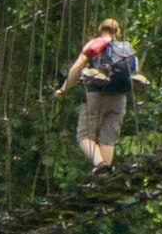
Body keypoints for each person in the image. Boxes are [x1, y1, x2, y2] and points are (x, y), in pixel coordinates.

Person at [57, 16, 137, 168]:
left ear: (101, 30)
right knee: (108, 139)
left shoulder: (96, 43)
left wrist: (64, 88)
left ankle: (100, 164)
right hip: (119, 97)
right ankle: (104, 178)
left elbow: (77, 67)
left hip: (97, 94)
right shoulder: (127, 48)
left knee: (84, 136)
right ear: (117, 32)